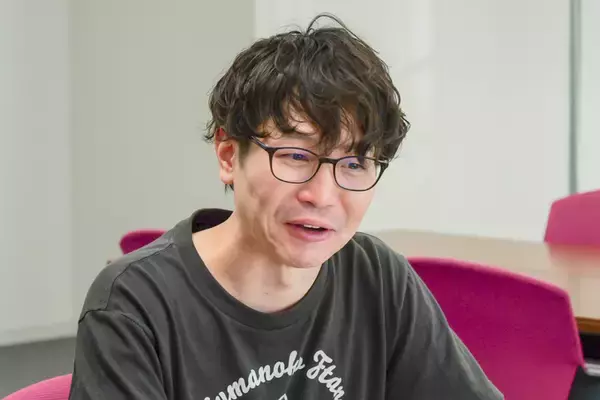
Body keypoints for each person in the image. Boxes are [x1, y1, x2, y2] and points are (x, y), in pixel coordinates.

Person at [69, 13, 503, 400]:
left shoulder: (376, 278)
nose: (322, 195)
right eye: (296, 156)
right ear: (228, 155)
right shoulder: (136, 303)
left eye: (354, 163)